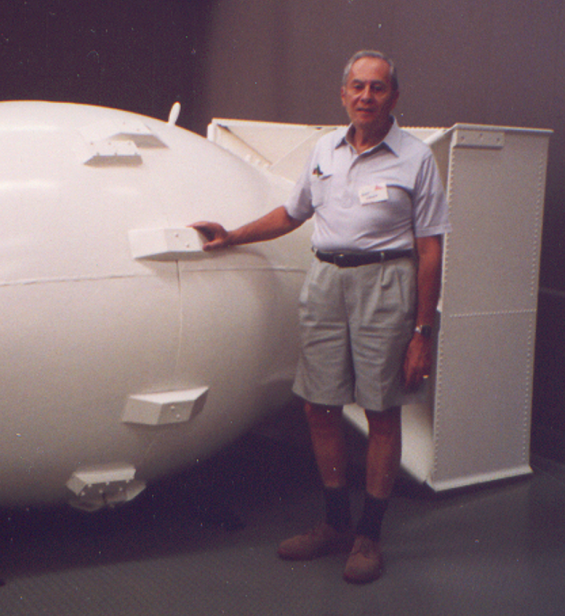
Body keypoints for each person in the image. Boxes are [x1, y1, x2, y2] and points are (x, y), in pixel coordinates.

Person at [191, 50, 450, 584]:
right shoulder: (323, 151)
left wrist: (423, 331)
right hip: (326, 282)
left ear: (394, 98)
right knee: (319, 406)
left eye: (377, 88)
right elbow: (293, 213)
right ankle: (334, 524)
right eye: (357, 86)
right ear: (343, 94)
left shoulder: (415, 158)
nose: (365, 96)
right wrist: (233, 235)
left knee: (381, 410)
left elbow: (429, 249)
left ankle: (369, 536)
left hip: (386, 285)